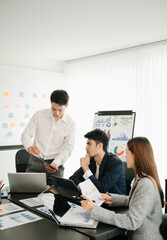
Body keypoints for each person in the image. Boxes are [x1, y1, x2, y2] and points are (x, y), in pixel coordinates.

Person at [81, 137, 164, 240]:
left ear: (137, 155)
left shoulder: (146, 183)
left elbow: (131, 221)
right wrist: (111, 198)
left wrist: (95, 210)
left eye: (127, 152)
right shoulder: (140, 177)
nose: (125, 156)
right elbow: (135, 199)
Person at [21, 89, 76, 185]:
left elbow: (68, 148)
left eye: (60, 110)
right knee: (28, 194)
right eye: (54, 109)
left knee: (54, 198)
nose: (56, 113)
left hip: (55, 165)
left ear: (66, 105)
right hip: (36, 161)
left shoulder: (71, 123)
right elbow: (26, 135)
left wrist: (56, 163)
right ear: (51, 104)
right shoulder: (39, 115)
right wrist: (29, 146)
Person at [70, 128, 127, 195]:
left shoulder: (115, 163)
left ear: (100, 146)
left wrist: (85, 168)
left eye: (89, 144)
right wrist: (85, 187)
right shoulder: (91, 161)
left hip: (112, 203)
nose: (86, 147)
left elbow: (101, 189)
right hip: (95, 200)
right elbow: (72, 179)